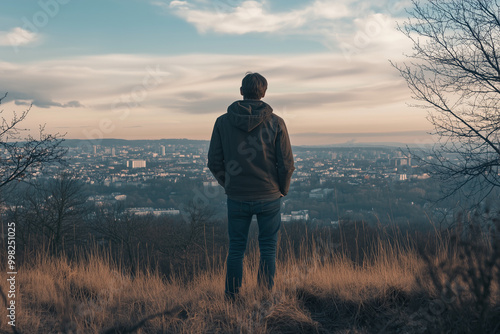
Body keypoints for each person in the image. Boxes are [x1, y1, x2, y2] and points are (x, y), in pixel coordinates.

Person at [207, 72, 295, 300]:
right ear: (264, 93)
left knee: (236, 249)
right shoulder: (276, 123)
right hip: (269, 196)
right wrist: (282, 189)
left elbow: (214, 162)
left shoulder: (222, 122)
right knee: (268, 249)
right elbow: (286, 164)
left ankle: (231, 298)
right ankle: (264, 298)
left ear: (241, 91)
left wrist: (229, 184)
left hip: (237, 196)